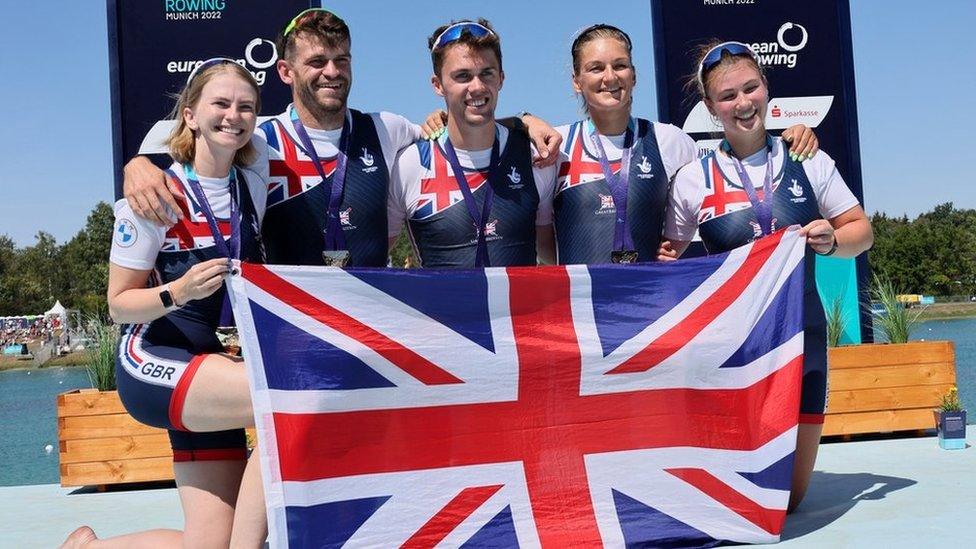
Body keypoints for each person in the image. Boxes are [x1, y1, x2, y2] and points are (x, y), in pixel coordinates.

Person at [124, 9, 560, 269]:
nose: (332, 71)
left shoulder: (387, 130)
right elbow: (194, 129)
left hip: (369, 329)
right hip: (296, 326)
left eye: (341, 59)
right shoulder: (258, 136)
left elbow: (465, 121)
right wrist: (139, 162)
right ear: (286, 72)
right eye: (317, 61)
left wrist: (522, 120)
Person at [61, 59, 268, 548]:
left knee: (208, 544)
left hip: (214, 368)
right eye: (220, 104)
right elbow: (118, 305)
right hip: (153, 359)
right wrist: (179, 292)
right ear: (190, 115)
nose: (233, 116)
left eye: (245, 107)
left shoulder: (253, 180)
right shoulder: (151, 196)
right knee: (283, 400)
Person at [663, 40, 874, 511]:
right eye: (728, 96)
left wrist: (834, 242)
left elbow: (863, 232)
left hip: (804, 342)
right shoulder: (693, 179)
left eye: (751, 88)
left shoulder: (808, 158)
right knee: (737, 499)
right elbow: (669, 262)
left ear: (766, 88)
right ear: (710, 107)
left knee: (789, 501)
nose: (743, 104)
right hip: (731, 355)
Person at [552, 24, 819, 265]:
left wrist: (788, 139)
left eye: (620, 65)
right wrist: (525, 120)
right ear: (576, 81)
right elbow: (542, 240)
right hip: (579, 313)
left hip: (648, 310)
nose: (610, 77)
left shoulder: (670, 141)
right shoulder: (555, 146)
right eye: (596, 68)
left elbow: (732, 168)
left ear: (633, 75)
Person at [388, 19, 557, 268]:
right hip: (438, 309)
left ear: (501, 78)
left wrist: (526, 119)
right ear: (438, 85)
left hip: (519, 308)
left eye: (486, 73)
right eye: (462, 76)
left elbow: (555, 256)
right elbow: (373, 259)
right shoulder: (410, 165)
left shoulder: (534, 156)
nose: (477, 87)